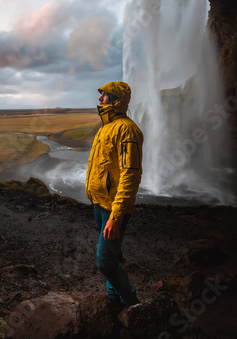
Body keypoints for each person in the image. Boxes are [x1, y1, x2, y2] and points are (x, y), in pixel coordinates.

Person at [86, 81, 143, 307]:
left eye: (105, 96)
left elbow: (130, 175)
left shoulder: (127, 129)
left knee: (105, 260)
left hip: (113, 209)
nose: (100, 99)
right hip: (100, 204)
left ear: (116, 100)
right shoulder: (105, 128)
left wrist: (116, 216)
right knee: (114, 254)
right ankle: (115, 300)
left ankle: (130, 300)